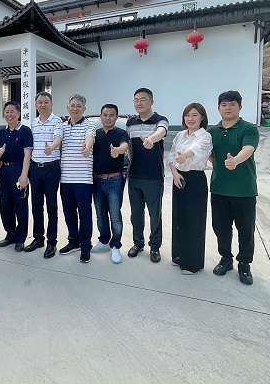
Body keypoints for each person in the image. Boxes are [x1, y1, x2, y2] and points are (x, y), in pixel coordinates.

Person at [209, 90, 260, 285]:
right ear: (218, 108)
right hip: (219, 188)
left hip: (244, 190)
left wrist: (235, 161)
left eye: (232, 104)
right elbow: (208, 153)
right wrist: (217, 164)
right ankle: (226, 259)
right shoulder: (212, 132)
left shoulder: (248, 128)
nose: (228, 108)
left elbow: (249, 148)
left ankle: (244, 264)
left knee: (245, 230)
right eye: (224, 104)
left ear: (240, 107)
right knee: (220, 227)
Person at [168, 103, 213, 275]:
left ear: (202, 117)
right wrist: (175, 173)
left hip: (195, 179)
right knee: (179, 218)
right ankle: (179, 255)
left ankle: (192, 264)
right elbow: (171, 155)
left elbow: (196, 149)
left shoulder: (205, 136)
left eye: (195, 115)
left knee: (194, 221)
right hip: (179, 178)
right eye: (187, 115)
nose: (190, 118)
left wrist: (185, 156)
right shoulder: (180, 135)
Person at [126, 87, 169, 264]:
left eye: (142, 99)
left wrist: (151, 139)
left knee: (154, 214)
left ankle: (155, 246)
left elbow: (161, 131)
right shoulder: (130, 123)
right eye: (136, 100)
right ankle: (138, 243)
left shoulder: (160, 120)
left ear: (151, 101)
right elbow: (129, 147)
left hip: (153, 176)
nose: (139, 103)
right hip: (135, 176)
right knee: (136, 214)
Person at [58, 94, 96, 263]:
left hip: (83, 179)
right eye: (72, 105)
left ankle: (85, 246)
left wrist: (87, 147)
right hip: (65, 178)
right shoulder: (63, 126)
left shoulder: (89, 124)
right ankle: (73, 241)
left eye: (78, 106)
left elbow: (90, 137)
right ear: (68, 108)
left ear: (84, 109)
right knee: (69, 213)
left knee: (85, 213)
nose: (75, 108)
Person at [24, 91, 63, 258]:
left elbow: (58, 138)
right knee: (36, 205)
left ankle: (52, 242)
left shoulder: (57, 121)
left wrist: (51, 147)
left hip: (51, 168)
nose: (43, 104)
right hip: (35, 168)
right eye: (40, 102)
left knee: (51, 206)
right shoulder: (33, 123)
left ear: (51, 104)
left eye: (46, 102)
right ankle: (38, 239)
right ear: (35, 105)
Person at [91, 103, 129, 264]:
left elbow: (125, 145)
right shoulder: (95, 134)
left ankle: (116, 245)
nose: (108, 118)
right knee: (100, 214)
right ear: (101, 116)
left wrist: (118, 150)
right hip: (97, 180)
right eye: (105, 115)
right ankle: (104, 240)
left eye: (111, 115)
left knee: (115, 215)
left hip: (115, 180)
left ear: (116, 117)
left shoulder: (121, 133)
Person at [0, 101, 32, 251]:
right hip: (4, 171)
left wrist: (24, 175)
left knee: (20, 206)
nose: (9, 115)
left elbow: (27, 154)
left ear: (18, 114)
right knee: (5, 205)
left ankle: (20, 238)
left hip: (18, 170)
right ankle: (10, 235)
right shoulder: (2, 132)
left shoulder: (25, 131)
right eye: (7, 112)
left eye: (12, 112)